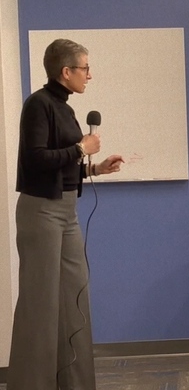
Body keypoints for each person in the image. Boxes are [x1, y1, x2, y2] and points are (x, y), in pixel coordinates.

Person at [8, 39, 124, 389]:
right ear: (66, 71)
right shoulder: (38, 105)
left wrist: (96, 169)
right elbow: (36, 160)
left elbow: (60, 167)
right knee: (41, 305)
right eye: (85, 68)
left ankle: (74, 382)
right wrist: (80, 149)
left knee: (74, 298)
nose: (90, 75)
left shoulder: (66, 107)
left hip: (67, 212)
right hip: (41, 213)